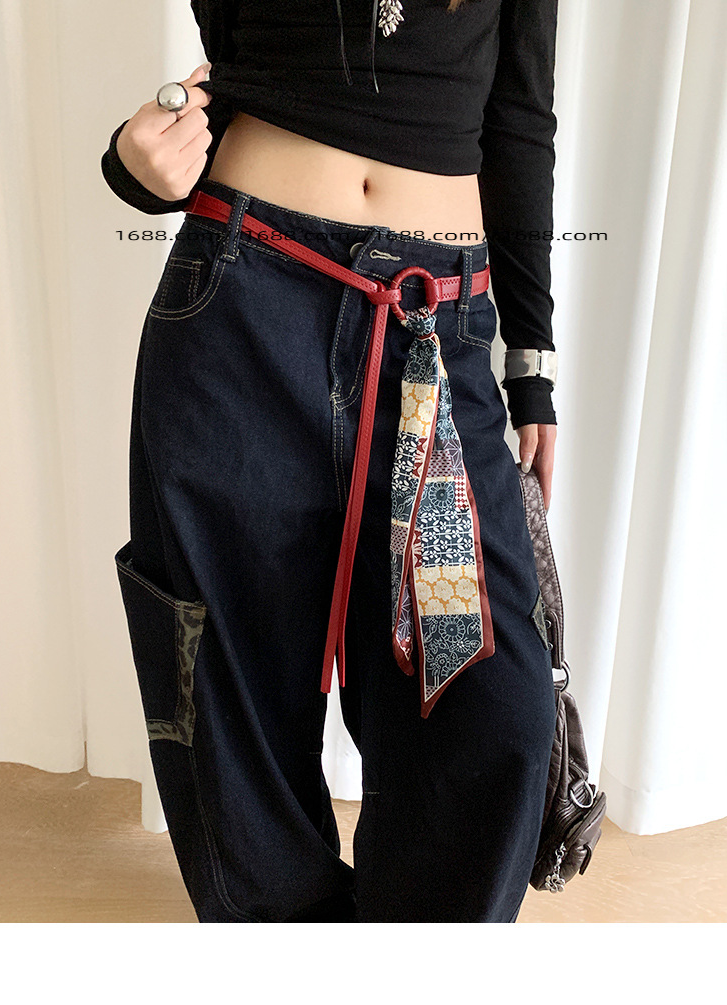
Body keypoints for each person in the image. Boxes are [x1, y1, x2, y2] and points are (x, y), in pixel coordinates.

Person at [102, 0, 560, 923]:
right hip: (244, 291)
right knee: (233, 692)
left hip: (436, 327)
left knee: (491, 704)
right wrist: (133, 168)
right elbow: (227, 63)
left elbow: (519, 115)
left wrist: (530, 362)